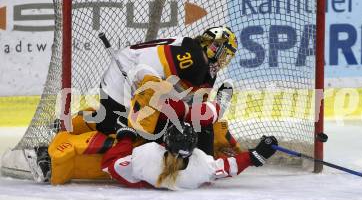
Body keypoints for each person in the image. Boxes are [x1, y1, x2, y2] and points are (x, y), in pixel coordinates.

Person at [28, 26, 241, 185]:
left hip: (138, 79)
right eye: (223, 52)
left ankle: (71, 124)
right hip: (124, 80)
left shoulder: (201, 62)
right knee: (126, 131)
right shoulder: (196, 59)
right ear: (211, 46)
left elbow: (185, 101)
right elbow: (151, 83)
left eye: (228, 56)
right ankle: (47, 153)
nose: (224, 59)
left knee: (127, 125)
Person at [101, 122, 278, 190]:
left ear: (166, 142)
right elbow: (227, 167)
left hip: (146, 169)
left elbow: (109, 163)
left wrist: (125, 138)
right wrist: (255, 155)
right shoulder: (201, 168)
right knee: (208, 128)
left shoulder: (146, 155)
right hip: (191, 162)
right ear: (193, 148)